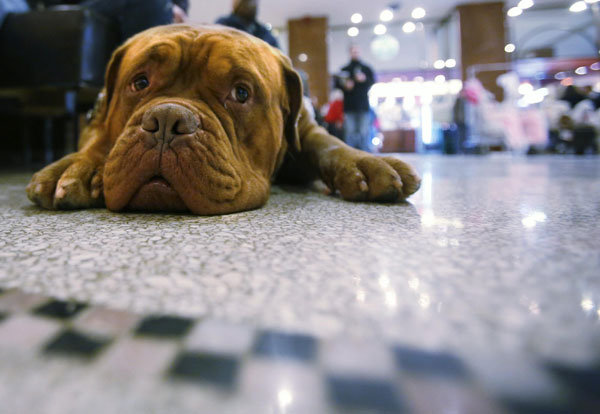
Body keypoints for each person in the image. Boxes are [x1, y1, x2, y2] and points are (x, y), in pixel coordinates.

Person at [335, 45, 375, 151]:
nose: (355, 53)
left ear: (360, 52)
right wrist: (345, 86)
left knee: (364, 133)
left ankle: (366, 157)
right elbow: (336, 84)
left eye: (357, 51)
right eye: (353, 51)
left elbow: (372, 81)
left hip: (363, 106)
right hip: (349, 107)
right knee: (350, 133)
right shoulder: (344, 69)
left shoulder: (366, 69)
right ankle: (351, 156)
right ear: (349, 53)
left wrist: (364, 79)